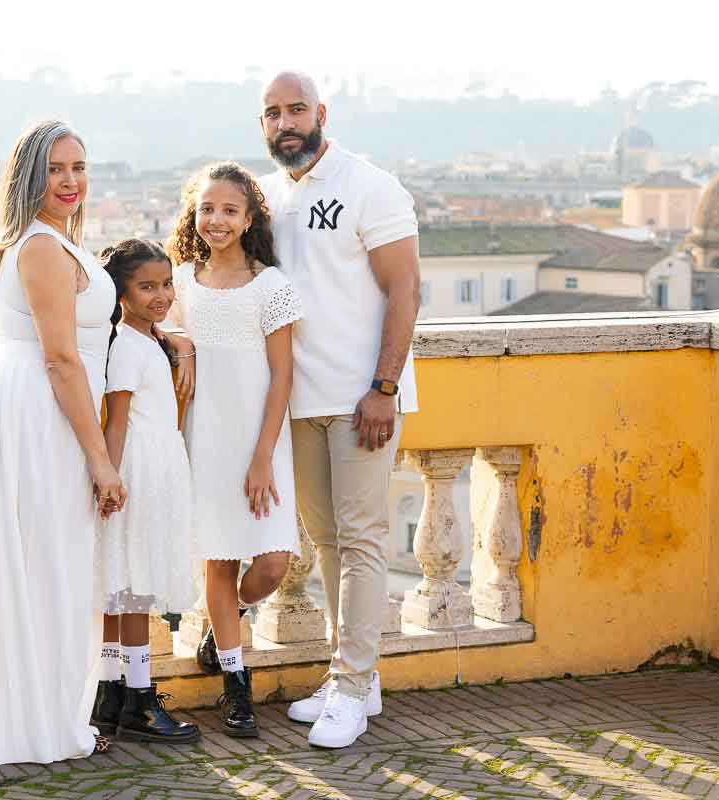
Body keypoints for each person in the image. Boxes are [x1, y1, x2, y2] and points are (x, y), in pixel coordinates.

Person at [0, 121, 123, 767]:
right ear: (28, 178)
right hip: (40, 410)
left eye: (79, 166)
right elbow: (62, 359)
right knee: (47, 562)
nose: (70, 181)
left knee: (44, 562)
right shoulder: (41, 247)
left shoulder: (51, 241)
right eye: (55, 169)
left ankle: (34, 715)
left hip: (36, 405)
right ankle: (31, 723)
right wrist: (100, 458)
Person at [257, 71, 422, 749]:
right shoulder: (266, 196)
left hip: (362, 399)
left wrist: (384, 387)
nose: (285, 123)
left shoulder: (370, 186)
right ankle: (355, 675)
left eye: (296, 109)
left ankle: (351, 687)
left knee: (361, 539)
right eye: (273, 113)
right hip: (298, 398)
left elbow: (405, 289)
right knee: (326, 541)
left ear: (321, 112)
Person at [166, 161, 303, 738]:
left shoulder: (271, 287)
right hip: (204, 438)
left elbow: (282, 375)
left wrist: (263, 454)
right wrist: (183, 345)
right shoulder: (179, 282)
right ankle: (235, 681)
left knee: (272, 565)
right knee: (218, 561)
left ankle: (233, 614)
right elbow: (154, 329)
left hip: (260, 441)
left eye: (229, 210)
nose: (217, 219)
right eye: (207, 209)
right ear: (194, 215)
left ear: (249, 219)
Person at [90, 238, 200, 745]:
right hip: (138, 467)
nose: (162, 295)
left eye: (167, 284)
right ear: (121, 293)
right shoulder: (127, 349)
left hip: (158, 463)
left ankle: (110, 693)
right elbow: (115, 423)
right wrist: (109, 480)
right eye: (147, 287)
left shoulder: (145, 340)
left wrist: (179, 342)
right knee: (132, 585)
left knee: (125, 584)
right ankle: (138, 698)